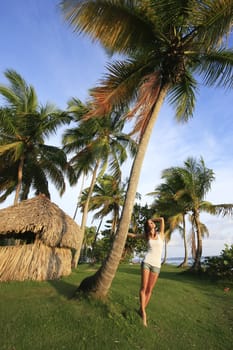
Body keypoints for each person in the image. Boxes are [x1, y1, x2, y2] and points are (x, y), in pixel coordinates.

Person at [127, 217, 165, 327]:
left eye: (152, 222)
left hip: (157, 265)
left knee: (149, 290)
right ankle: (143, 312)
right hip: (147, 262)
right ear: (148, 227)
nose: (152, 223)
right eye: (149, 223)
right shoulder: (146, 236)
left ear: (154, 224)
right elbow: (134, 236)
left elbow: (162, 219)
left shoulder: (161, 235)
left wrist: (151, 219)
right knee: (143, 288)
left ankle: (141, 309)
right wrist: (123, 232)